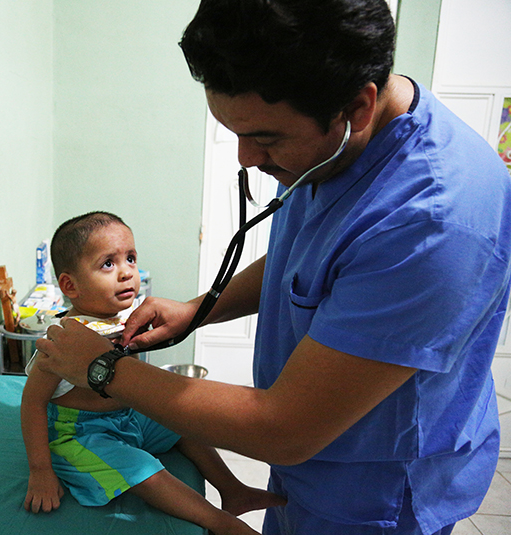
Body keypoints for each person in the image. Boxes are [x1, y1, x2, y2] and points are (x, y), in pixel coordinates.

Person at [33, 1, 511, 535]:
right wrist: (198, 311)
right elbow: (311, 260)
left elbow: (285, 429)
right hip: (307, 471)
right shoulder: (335, 149)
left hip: (372, 494)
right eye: (234, 132)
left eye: (265, 138)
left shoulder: (434, 223)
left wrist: (104, 369)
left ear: (357, 106)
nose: (246, 159)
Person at [21, 211, 284, 535]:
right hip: (81, 435)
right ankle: (219, 522)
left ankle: (233, 490)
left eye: (130, 258)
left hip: (128, 417)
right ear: (69, 285)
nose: (126, 273)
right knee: (141, 467)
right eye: (108, 264)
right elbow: (32, 402)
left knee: (181, 420)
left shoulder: (122, 321)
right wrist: (40, 470)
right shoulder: (62, 339)